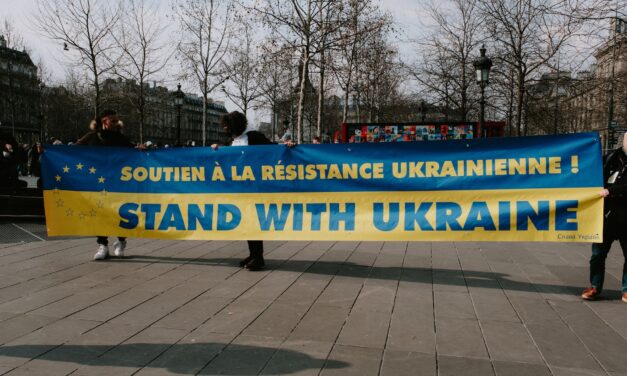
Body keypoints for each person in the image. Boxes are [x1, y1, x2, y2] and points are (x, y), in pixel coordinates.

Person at [211, 111, 294, 271]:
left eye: (228, 127)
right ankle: (253, 254)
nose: (226, 130)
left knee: (253, 220)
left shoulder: (254, 137)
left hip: (255, 187)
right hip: (240, 188)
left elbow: (272, 149)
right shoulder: (232, 141)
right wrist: (216, 149)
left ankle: (258, 257)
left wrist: (287, 146)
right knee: (247, 221)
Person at [76, 110, 134, 260]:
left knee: (121, 211)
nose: (115, 123)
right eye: (112, 120)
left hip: (119, 181)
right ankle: (102, 244)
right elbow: (72, 151)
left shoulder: (122, 139)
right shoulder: (92, 137)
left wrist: (140, 151)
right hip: (99, 182)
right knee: (100, 211)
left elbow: (134, 154)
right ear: (103, 121)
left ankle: (121, 241)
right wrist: (49, 151)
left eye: (116, 120)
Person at [582, 133, 627, 302]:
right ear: (623, 141)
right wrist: (591, 145)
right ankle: (594, 286)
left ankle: (626, 289)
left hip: (626, 218)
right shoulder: (609, 158)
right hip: (606, 218)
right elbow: (589, 170)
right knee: (597, 255)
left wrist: (611, 191)